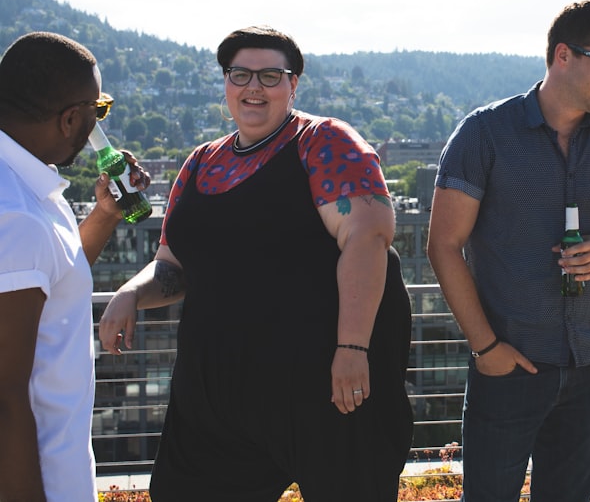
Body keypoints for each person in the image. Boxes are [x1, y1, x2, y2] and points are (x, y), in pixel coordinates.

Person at [98, 25, 413, 501]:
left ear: (293, 84)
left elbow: (368, 238)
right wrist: (130, 292)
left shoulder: (324, 142)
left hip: (321, 389)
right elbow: (174, 264)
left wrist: (353, 349)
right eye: (240, 74)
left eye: (270, 76)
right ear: (225, 82)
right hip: (214, 396)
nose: (253, 88)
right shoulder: (201, 162)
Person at [426, 0, 590, 502]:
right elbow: (442, 245)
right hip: (509, 366)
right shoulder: (485, 133)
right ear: (562, 55)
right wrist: (487, 350)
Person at [0, 32, 149, 502]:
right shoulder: (16, 215)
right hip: (40, 479)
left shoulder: (27, 188)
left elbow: (53, 277)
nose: (97, 126)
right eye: (97, 111)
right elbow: (4, 397)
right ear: (69, 119)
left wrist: (105, 214)